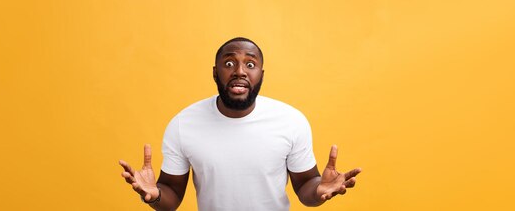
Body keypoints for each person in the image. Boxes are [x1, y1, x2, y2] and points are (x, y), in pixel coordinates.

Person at [119, 37, 362, 210]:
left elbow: (306, 188)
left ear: (261, 75)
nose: (239, 71)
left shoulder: (290, 121)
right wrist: (153, 195)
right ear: (215, 73)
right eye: (229, 64)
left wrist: (319, 191)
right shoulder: (184, 124)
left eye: (250, 64)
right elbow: (170, 195)